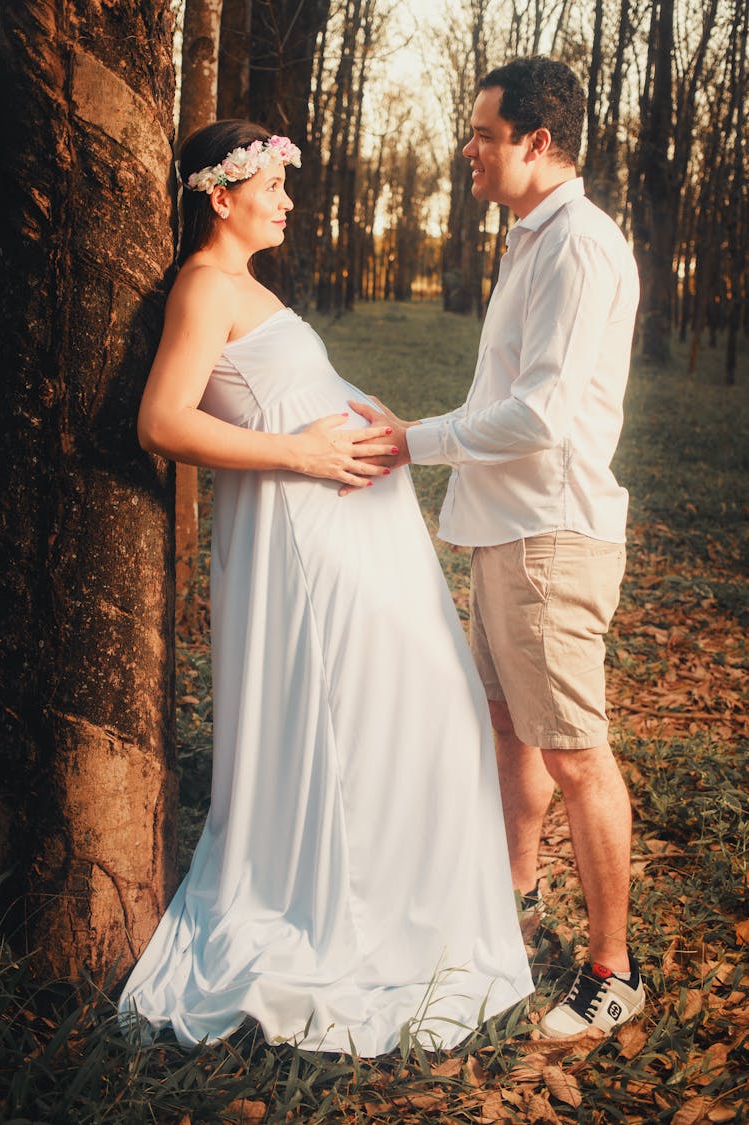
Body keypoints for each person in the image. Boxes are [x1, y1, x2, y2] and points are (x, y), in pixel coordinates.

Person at [117, 119, 533, 1056]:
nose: (288, 199)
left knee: (439, 710)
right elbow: (162, 421)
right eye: (271, 183)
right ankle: (349, 910)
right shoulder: (202, 287)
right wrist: (301, 451)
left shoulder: (248, 287)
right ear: (218, 196)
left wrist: (385, 430)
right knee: (393, 715)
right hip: (309, 545)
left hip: (357, 532)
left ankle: (408, 906)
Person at [352, 57, 645, 1039]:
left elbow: (543, 416)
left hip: (551, 538)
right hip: (506, 533)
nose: (468, 150)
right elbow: (509, 397)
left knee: (575, 756)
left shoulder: (579, 247)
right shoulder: (533, 238)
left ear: (538, 141)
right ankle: (511, 915)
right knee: (509, 734)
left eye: (483, 133)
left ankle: (613, 970)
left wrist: (413, 443)